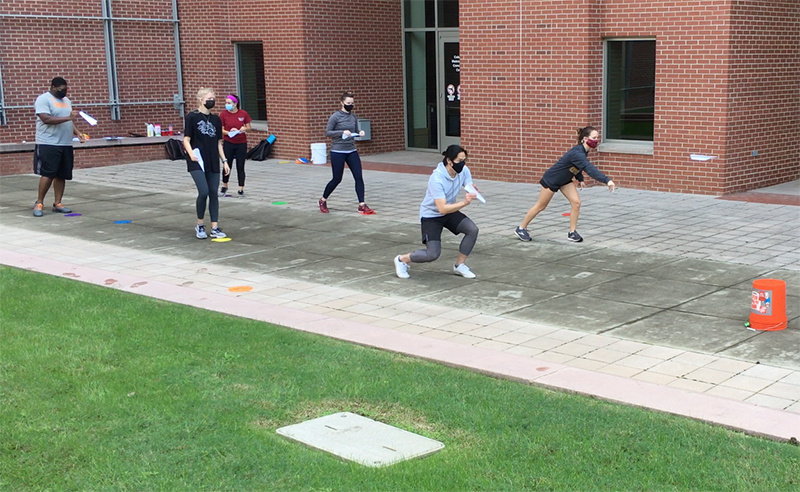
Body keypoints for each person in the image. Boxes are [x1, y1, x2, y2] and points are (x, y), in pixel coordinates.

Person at [514, 126, 616, 243]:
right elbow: (589, 168)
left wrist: (580, 178)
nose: (596, 140)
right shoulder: (577, 153)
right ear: (585, 139)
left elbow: (576, 166)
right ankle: (521, 228)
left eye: (597, 137)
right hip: (552, 180)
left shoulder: (583, 151)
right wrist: (606, 180)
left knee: (576, 203)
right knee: (541, 206)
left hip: (565, 180)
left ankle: (572, 233)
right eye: (594, 138)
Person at [393, 145, 480, 279]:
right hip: (432, 215)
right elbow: (442, 209)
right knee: (432, 254)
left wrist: (472, 190)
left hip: (450, 210)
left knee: (472, 230)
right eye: (459, 161)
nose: (462, 164)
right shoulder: (437, 178)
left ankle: (459, 265)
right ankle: (401, 260)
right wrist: (464, 202)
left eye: (464, 160)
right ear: (449, 161)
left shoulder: (464, 170)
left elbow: (468, 184)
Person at [32, 77, 85, 217]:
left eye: (66, 89)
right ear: (53, 87)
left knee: (62, 175)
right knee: (48, 173)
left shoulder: (67, 101)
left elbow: (69, 121)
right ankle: (39, 203)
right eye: (61, 89)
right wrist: (69, 118)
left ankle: (58, 203)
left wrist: (78, 133)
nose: (64, 92)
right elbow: (46, 119)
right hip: (48, 143)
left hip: (65, 143)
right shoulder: (43, 99)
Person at [182, 87, 230, 239]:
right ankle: (200, 223)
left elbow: (218, 143)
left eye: (213, 98)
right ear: (201, 100)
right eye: (209, 98)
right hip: (197, 160)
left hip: (212, 160)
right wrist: (191, 154)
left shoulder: (216, 120)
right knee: (203, 191)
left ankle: (215, 227)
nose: (212, 101)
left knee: (213, 193)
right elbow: (186, 139)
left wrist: (225, 161)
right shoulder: (192, 117)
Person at [318, 92, 375, 215]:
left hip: (351, 150)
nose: (350, 105)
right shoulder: (335, 117)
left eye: (352, 103)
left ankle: (362, 204)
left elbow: (354, 129)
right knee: (337, 178)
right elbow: (328, 132)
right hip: (338, 151)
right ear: (342, 103)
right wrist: (341, 132)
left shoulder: (353, 116)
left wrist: (360, 132)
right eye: (348, 103)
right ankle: (323, 200)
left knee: (358, 176)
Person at [218, 94, 252, 197]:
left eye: (229, 103)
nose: (227, 105)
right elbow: (221, 130)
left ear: (235, 104)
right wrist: (228, 132)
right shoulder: (223, 115)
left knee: (240, 166)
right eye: (226, 103)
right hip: (229, 142)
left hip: (241, 143)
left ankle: (241, 188)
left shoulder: (243, 114)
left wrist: (243, 129)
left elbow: (249, 128)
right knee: (227, 165)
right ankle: (224, 185)